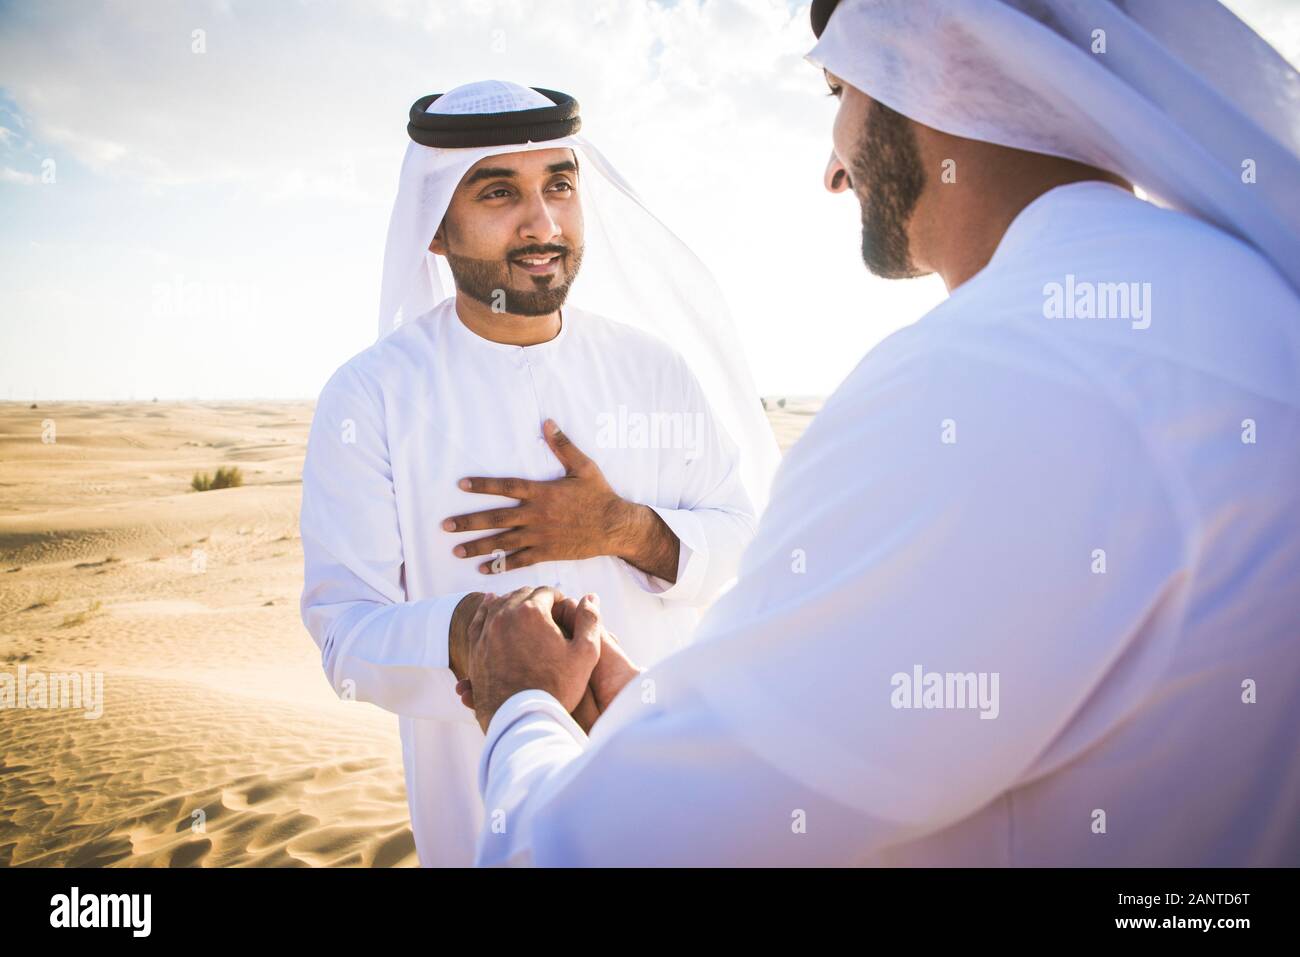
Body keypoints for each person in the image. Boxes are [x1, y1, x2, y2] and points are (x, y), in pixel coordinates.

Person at [463, 0, 1300, 866]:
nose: (834, 168)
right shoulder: (1245, 296)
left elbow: (586, 854)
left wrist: (523, 707)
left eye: (839, 91)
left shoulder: (981, 376)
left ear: (933, 64)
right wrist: (691, 725)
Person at [298, 80, 778, 866]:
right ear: (435, 230)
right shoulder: (372, 394)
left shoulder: (652, 370)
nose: (544, 222)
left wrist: (625, 528)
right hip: (481, 820)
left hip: (670, 810)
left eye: (560, 184)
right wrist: (475, 637)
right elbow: (344, 631)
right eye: (499, 192)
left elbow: (745, 542)